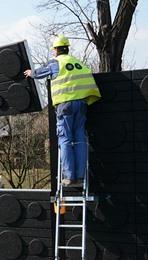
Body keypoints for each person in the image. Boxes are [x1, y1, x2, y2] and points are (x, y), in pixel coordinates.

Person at [24, 35, 101, 187]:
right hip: (81, 104)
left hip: (65, 105)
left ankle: (69, 176)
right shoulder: (77, 63)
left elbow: (40, 73)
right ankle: (80, 176)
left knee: (65, 139)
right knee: (79, 139)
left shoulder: (56, 62)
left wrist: (30, 73)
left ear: (56, 50)